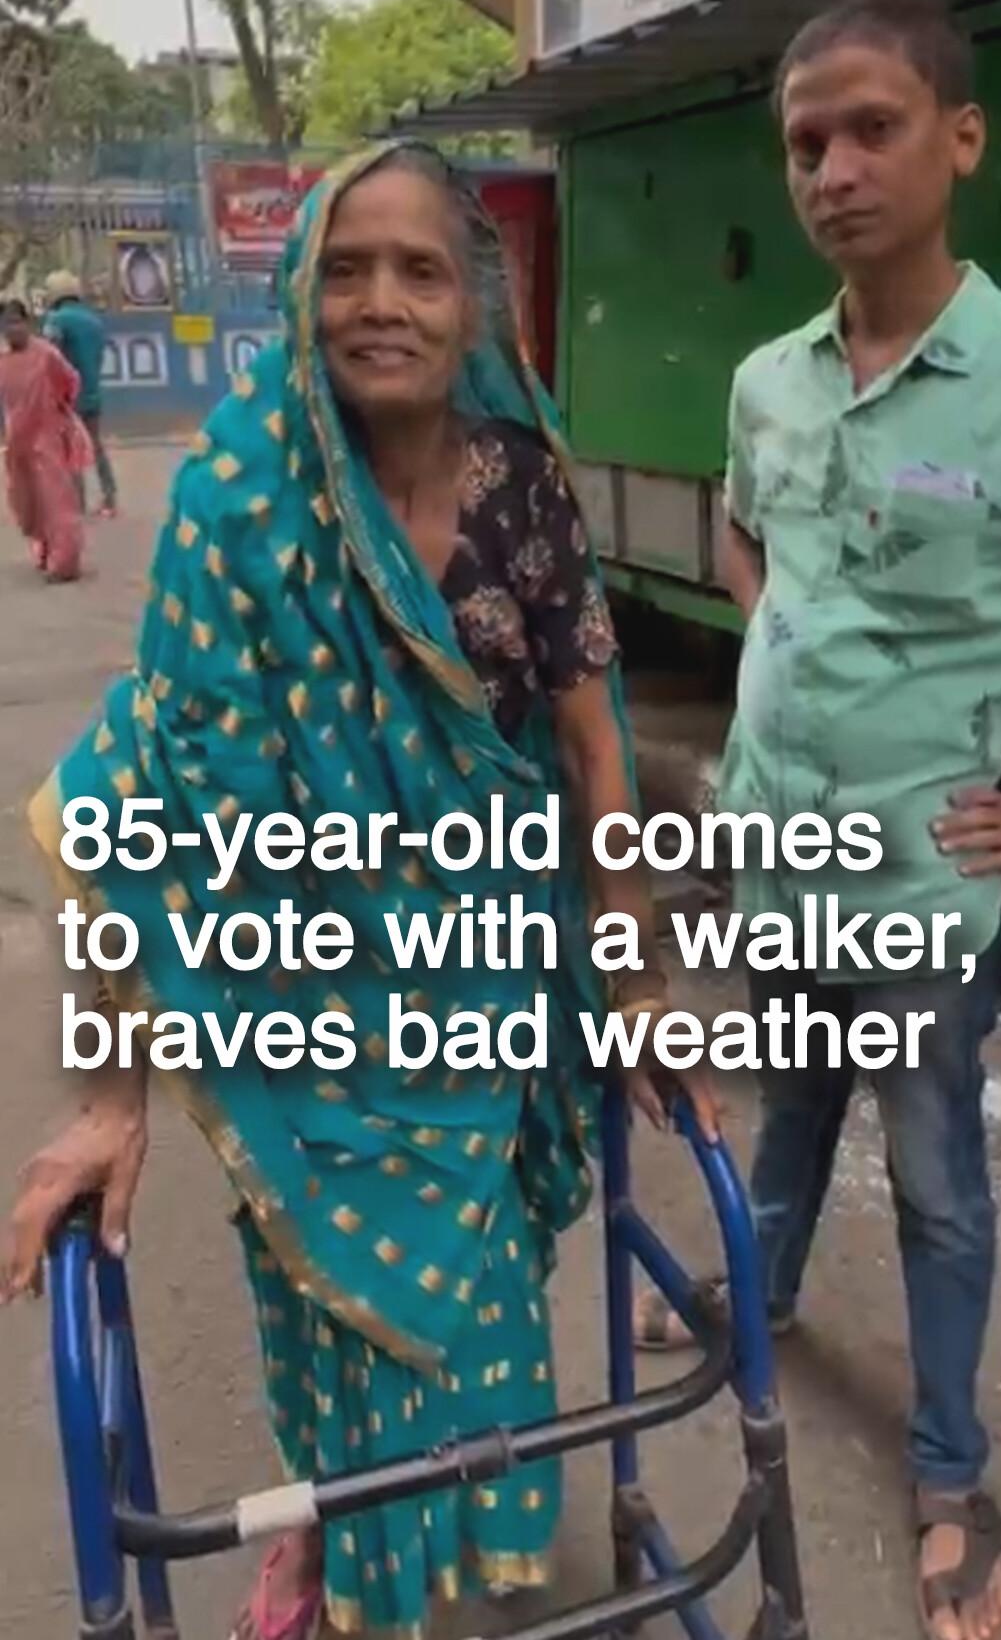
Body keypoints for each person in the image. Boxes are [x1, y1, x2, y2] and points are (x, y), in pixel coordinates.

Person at [1, 144, 715, 1640]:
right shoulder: (237, 504)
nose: (379, 302)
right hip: (301, 1002)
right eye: (344, 268)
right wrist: (112, 1092)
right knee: (335, 1314)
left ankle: (462, 1543)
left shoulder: (525, 485)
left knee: (479, 1308)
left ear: (474, 306)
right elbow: (139, 794)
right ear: (298, 290)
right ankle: (337, 1544)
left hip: (490, 989)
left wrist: (637, 983)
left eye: (420, 270)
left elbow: (592, 761)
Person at [635, 0, 1001, 1640]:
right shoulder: (771, 381)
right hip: (781, 852)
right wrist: (789, 668)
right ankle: (752, 1310)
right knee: (789, 1110)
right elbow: (755, 540)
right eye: (805, 141)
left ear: (961, 139)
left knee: (947, 1185)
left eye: (872, 127)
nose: (832, 167)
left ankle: (952, 1472)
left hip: (924, 890)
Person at [0, 297, 90, 582]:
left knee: (56, 500)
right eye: (6, 324)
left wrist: (60, 409)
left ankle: (65, 562)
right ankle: (45, 549)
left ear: (28, 324)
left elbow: (71, 381)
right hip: (18, 441)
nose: (13, 329)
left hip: (47, 437)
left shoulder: (46, 355)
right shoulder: (3, 361)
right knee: (29, 504)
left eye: (17, 322)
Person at [43, 269, 117, 518]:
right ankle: (110, 498)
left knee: (69, 448)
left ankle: (77, 502)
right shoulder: (93, 321)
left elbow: (50, 356)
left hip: (66, 396)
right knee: (95, 445)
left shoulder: (56, 320)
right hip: (92, 392)